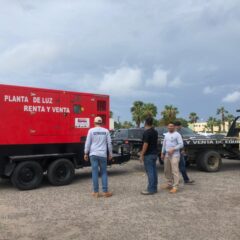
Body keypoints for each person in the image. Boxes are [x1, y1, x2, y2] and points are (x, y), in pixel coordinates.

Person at [84, 116, 113, 198]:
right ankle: (105, 191)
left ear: (94, 122)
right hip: (103, 155)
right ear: (101, 123)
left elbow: (87, 143)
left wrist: (86, 153)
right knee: (104, 172)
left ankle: (96, 192)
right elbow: (109, 143)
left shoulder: (91, 131)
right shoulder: (106, 131)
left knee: (94, 173)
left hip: (93, 154)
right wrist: (110, 154)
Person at [161, 122, 183, 193]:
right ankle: (169, 184)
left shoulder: (177, 134)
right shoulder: (166, 135)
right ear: (167, 127)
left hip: (175, 155)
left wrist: (173, 149)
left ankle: (175, 186)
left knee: (175, 171)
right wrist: (162, 153)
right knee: (167, 170)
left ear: (174, 127)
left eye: (171, 126)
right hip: (167, 155)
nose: (170, 127)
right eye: (169, 126)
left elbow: (181, 144)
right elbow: (164, 145)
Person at [140, 117, 158, 195]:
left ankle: (150, 189)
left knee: (150, 172)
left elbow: (145, 144)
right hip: (154, 154)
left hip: (148, 155)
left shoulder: (146, 132)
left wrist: (142, 154)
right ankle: (154, 188)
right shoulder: (155, 132)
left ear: (145, 123)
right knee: (154, 171)